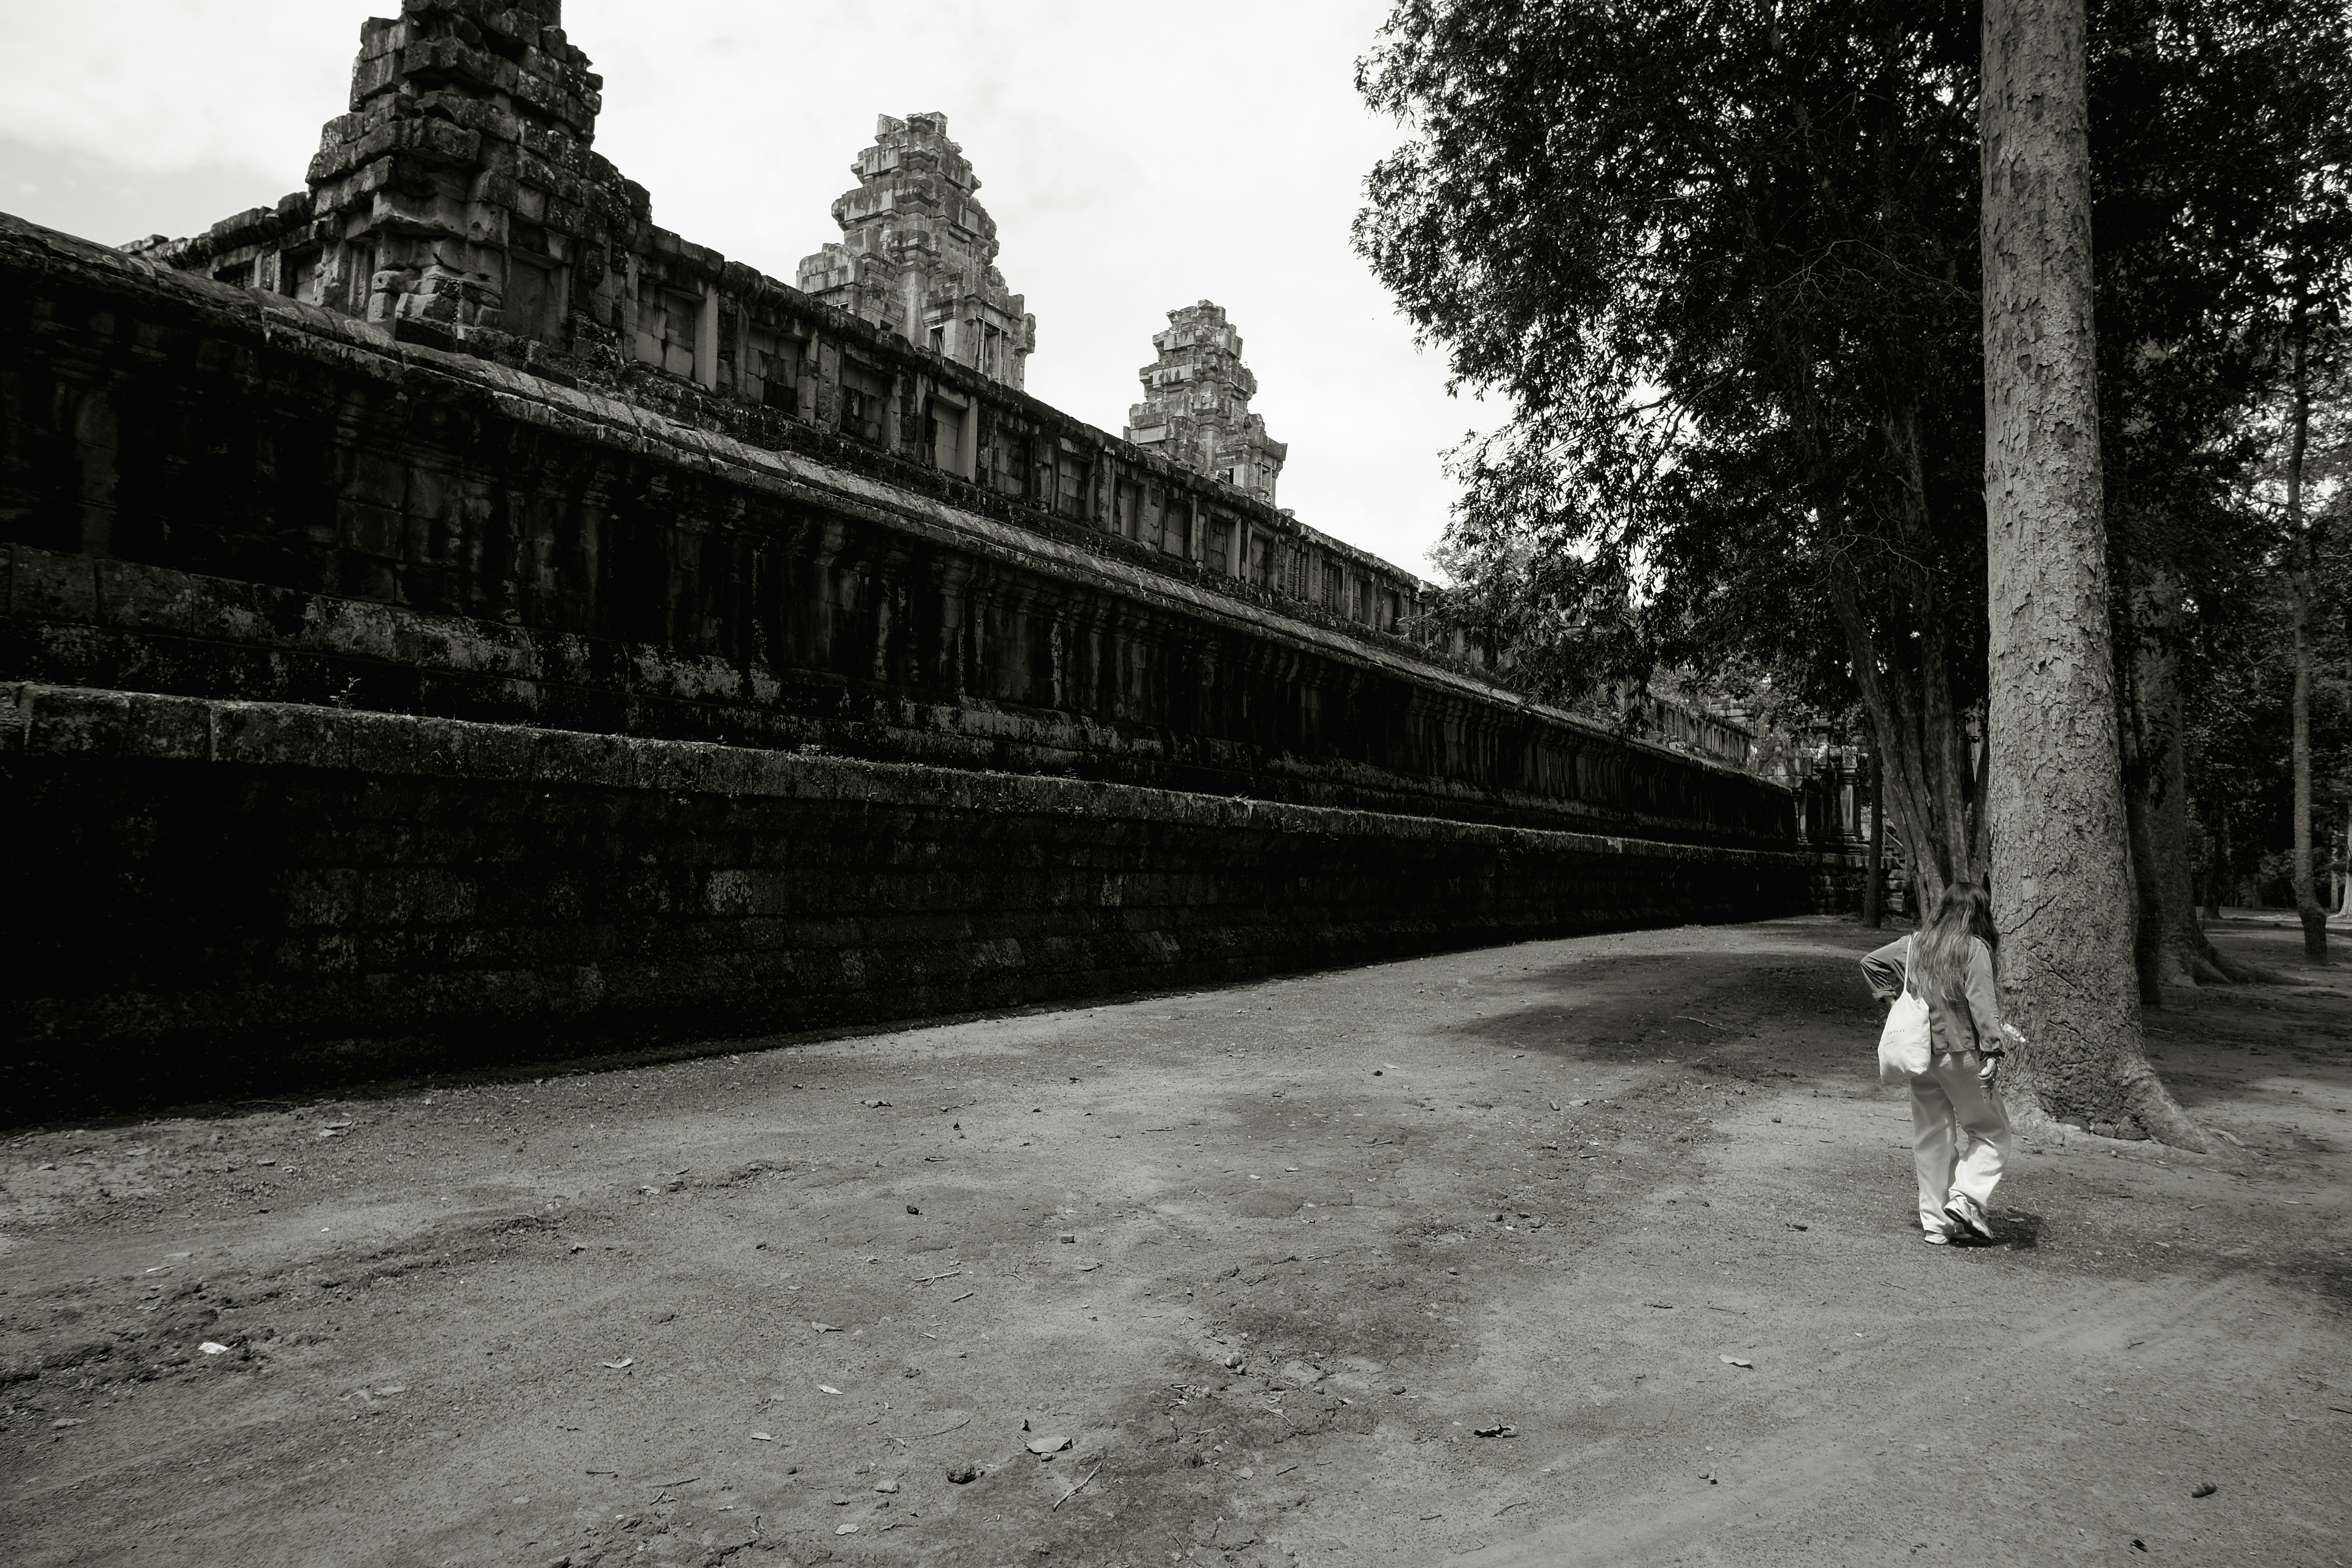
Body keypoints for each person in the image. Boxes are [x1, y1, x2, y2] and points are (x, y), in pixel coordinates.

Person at [1861, 879, 2015, 1245]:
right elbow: (1982, 1002)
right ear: (1978, 913)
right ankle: (1966, 1198)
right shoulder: (1974, 947)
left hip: (1920, 1056)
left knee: (1933, 1137)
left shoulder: (1916, 944)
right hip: (1960, 1053)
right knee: (1992, 1131)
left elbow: (1871, 963)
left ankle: (1936, 1223)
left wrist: (1893, 1001)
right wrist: (1993, 1050)